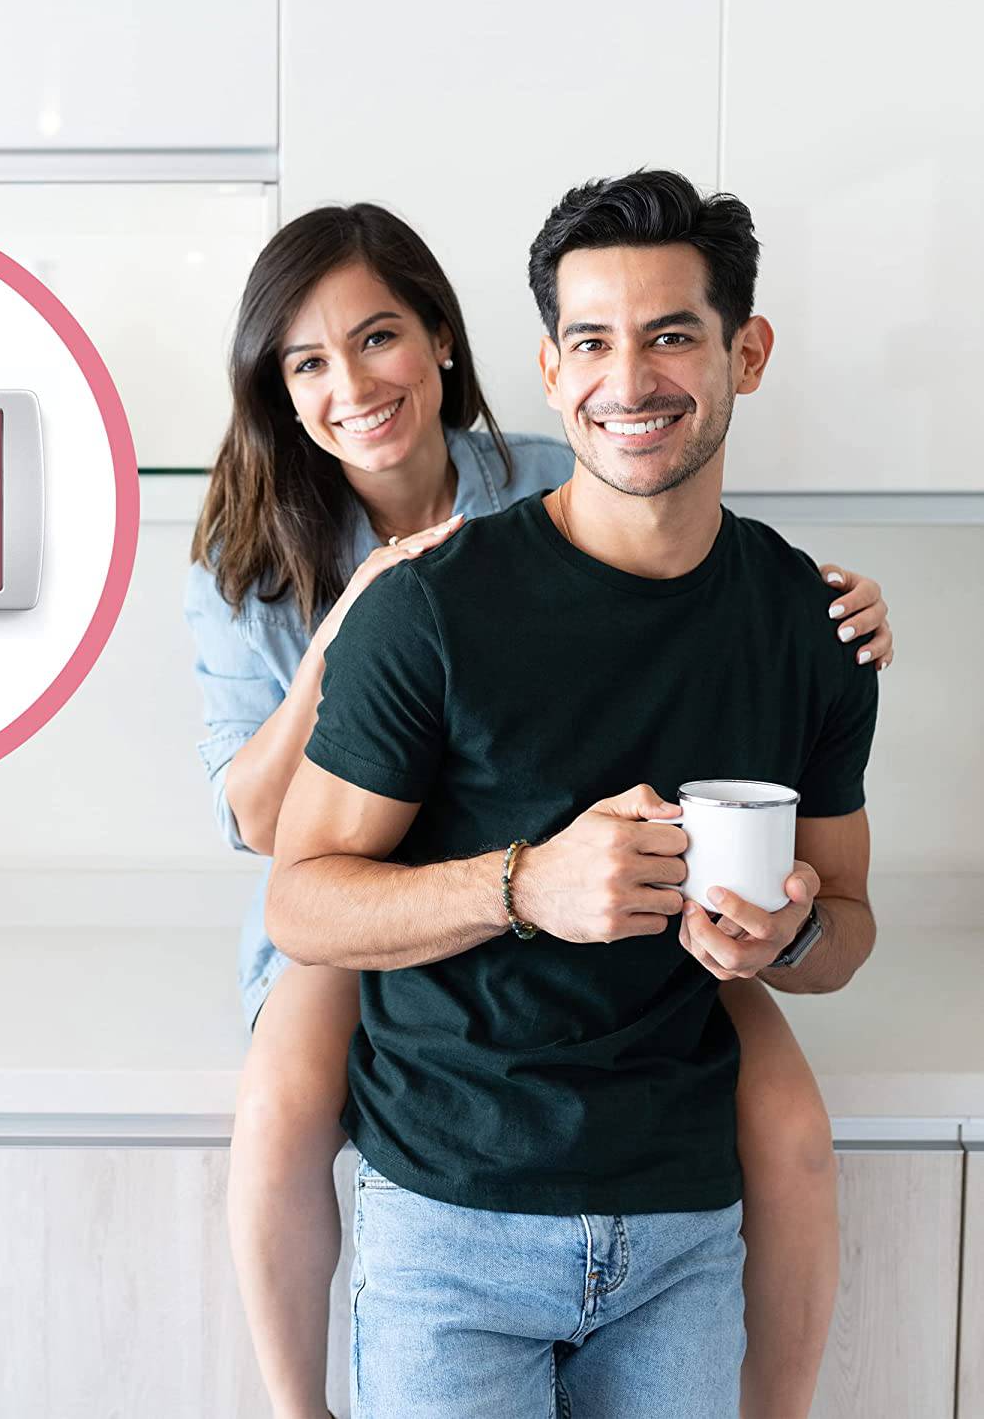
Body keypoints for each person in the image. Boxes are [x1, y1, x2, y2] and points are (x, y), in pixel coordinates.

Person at [185, 190, 893, 1418]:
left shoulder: (765, 600)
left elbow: (844, 919)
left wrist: (796, 937)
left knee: (791, 1129)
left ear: (747, 353)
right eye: (597, 345)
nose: (632, 381)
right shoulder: (322, 576)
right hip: (451, 1169)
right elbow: (277, 859)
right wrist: (525, 879)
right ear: (556, 370)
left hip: (670, 1191)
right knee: (285, 1100)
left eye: (674, 336)